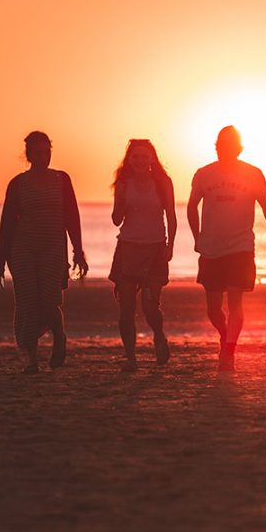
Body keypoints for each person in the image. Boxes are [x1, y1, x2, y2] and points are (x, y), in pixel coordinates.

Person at [187, 126, 266, 371]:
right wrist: (198, 237)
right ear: (216, 147)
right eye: (221, 145)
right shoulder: (204, 174)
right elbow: (191, 205)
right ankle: (226, 336)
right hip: (211, 249)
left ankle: (229, 349)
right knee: (213, 309)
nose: (225, 149)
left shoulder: (253, 174)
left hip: (241, 247)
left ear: (239, 149)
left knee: (235, 303)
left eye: (230, 145)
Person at [0, 131, 88, 373]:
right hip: (22, 249)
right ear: (28, 155)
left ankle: (59, 336)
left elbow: (72, 217)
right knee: (27, 303)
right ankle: (31, 359)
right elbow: (7, 223)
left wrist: (78, 251)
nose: (44, 156)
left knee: (49, 302)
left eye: (48, 151)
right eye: (39, 152)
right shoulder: (18, 184)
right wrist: (0, 258)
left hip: (53, 250)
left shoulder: (61, 180)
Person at [109, 139, 177, 371]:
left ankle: (159, 335)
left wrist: (170, 246)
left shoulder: (163, 182)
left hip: (155, 247)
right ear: (129, 160)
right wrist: (121, 202)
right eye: (135, 156)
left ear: (151, 159)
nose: (139, 160)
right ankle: (131, 358)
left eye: (144, 156)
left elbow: (171, 215)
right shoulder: (123, 183)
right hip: (128, 247)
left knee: (150, 306)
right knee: (126, 308)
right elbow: (116, 219)